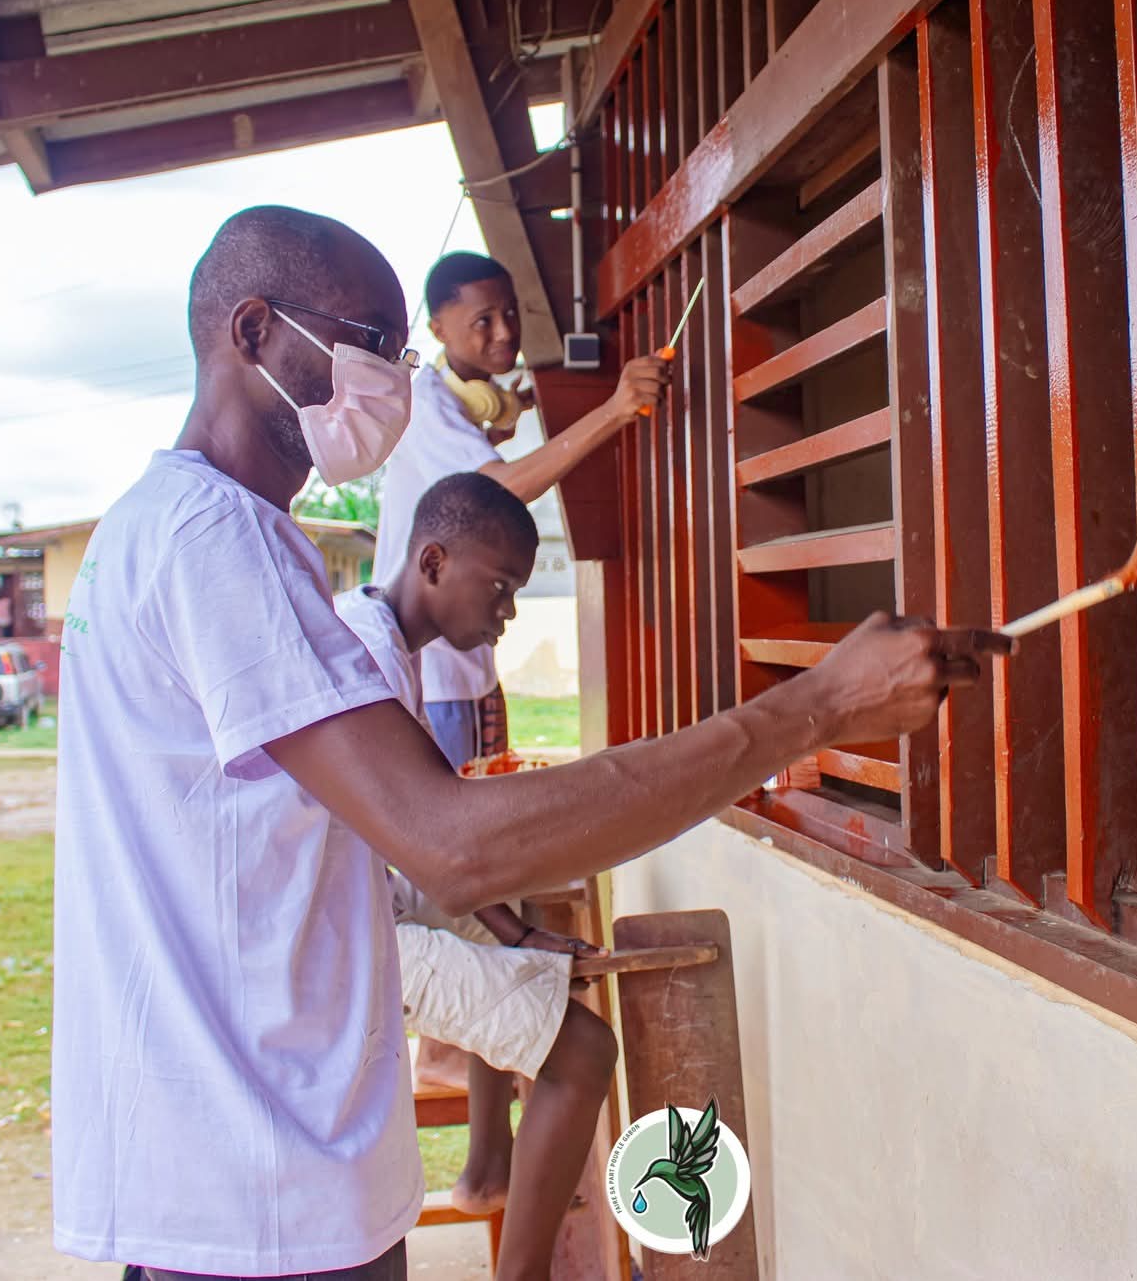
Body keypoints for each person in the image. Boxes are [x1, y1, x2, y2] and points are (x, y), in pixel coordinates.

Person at [52, 204, 1004, 1281]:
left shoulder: (177, 531)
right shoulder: (213, 541)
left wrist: (503, 926)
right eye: (370, 343)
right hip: (250, 1198)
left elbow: (346, 847)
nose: (393, 378)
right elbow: (449, 842)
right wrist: (809, 711)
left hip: (242, 1170)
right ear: (254, 330)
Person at [334, 471, 611, 1277]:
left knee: (512, 910)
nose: (508, 611)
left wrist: (520, 933)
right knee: (585, 1053)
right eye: (498, 586)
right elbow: (443, 853)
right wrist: (515, 939)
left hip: (369, 896)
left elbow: (437, 830)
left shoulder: (382, 637)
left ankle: (490, 1162)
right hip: (343, 934)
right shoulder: (364, 655)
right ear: (431, 560)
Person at [376, 251, 670, 771]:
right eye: (482, 321)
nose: (504, 332)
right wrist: (616, 409)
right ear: (438, 329)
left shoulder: (470, 411)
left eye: (511, 313)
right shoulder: (428, 407)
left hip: (465, 666)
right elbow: (506, 488)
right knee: (462, 816)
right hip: (438, 675)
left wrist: (497, 427)